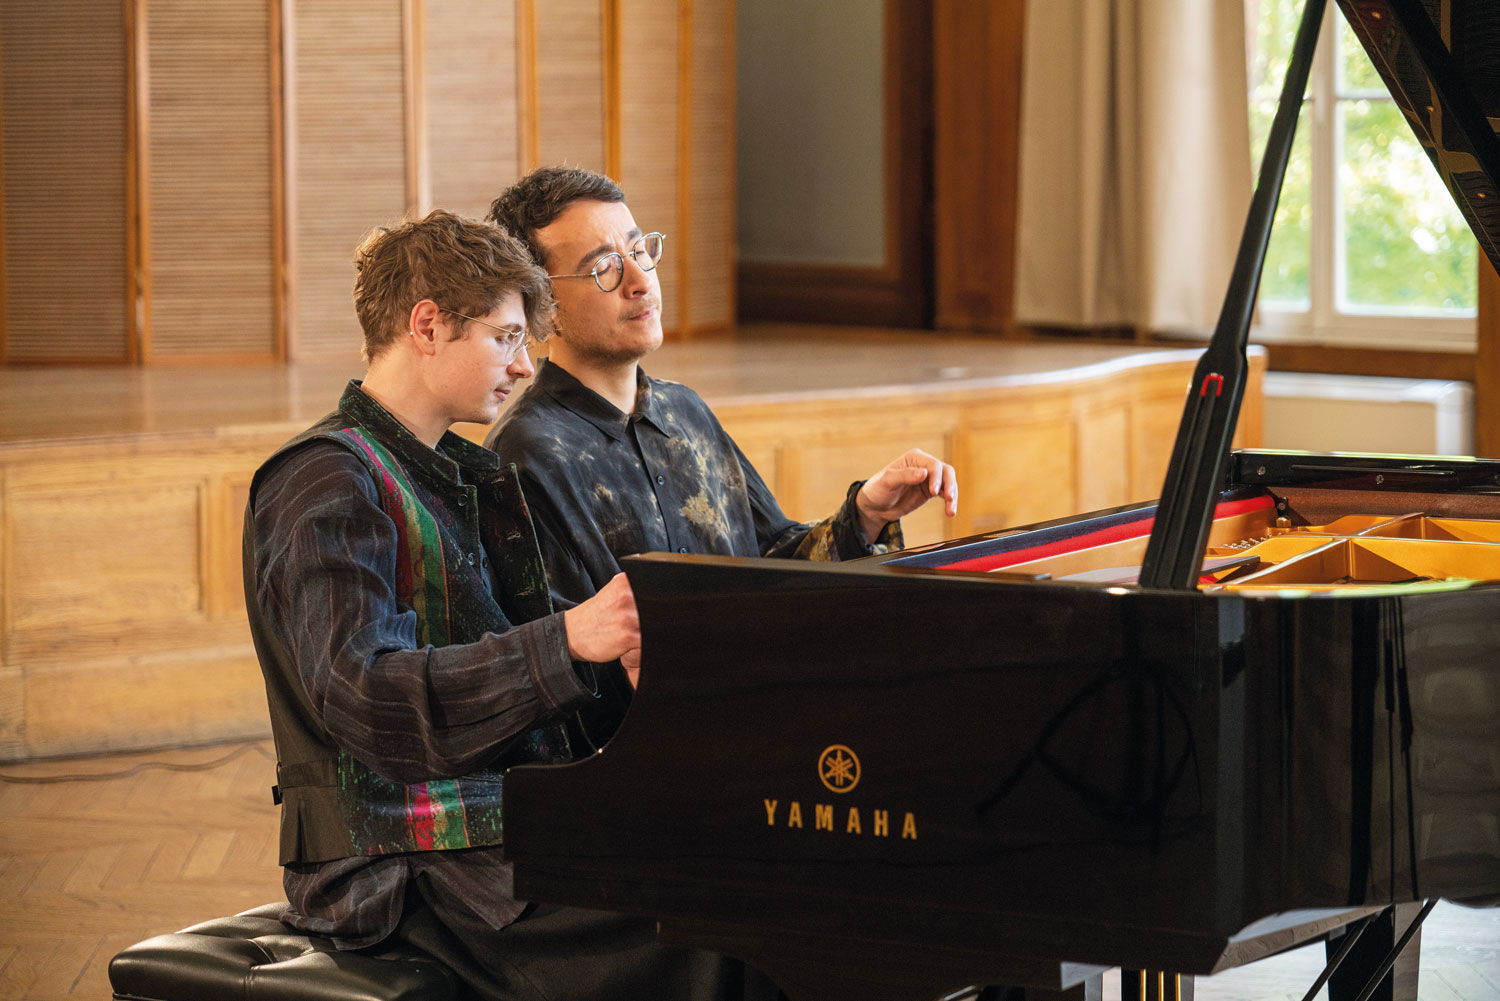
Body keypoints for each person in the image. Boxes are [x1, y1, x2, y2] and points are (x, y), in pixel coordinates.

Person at [242, 209, 771, 1001]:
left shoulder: (454, 473)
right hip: (399, 869)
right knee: (731, 933)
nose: (525, 367)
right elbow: (367, 698)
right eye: (505, 337)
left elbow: (536, 683)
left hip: (498, 830)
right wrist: (568, 639)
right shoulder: (325, 481)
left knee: (778, 869)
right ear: (427, 325)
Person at [485, 167, 959, 668]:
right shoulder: (524, 453)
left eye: (639, 250)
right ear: (545, 306)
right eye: (604, 267)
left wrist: (865, 514)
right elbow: (555, 658)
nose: (641, 281)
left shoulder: (685, 411)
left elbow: (772, 565)